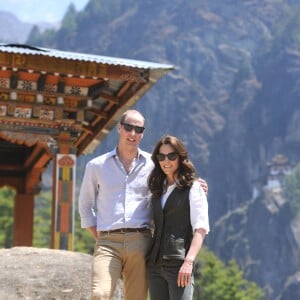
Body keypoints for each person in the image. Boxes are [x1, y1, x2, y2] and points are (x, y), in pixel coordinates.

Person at [78, 110, 208, 300]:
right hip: (107, 242)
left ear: (142, 134)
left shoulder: (154, 164)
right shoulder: (96, 166)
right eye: (129, 127)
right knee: (100, 294)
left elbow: (175, 179)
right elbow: (85, 206)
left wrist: (197, 184)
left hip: (142, 242)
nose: (132, 133)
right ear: (119, 128)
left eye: (138, 129)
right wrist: (101, 236)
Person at [147, 135, 209, 300]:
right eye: (161, 156)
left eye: (171, 156)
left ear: (180, 158)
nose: (166, 160)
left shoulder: (195, 188)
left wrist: (188, 262)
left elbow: (201, 229)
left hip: (179, 265)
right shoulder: (157, 190)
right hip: (154, 266)